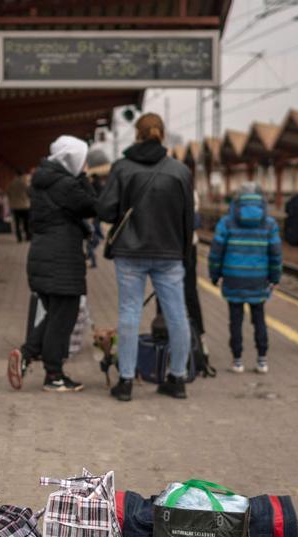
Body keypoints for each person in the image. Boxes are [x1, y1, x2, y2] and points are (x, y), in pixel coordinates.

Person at [97, 113, 195, 402]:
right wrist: (184, 253)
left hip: (130, 251)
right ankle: (177, 378)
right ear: (162, 135)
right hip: (169, 254)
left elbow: (105, 210)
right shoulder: (180, 171)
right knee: (178, 315)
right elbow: (188, 219)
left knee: (129, 313)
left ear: (137, 135)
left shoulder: (122, 168)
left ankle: (125, 381)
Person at [6, 135, 96, 393]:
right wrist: (83, 177)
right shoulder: (67, 184)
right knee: (62, 320)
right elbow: (93, 205)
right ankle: (53, 375)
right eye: (82, 159)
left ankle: (25, 354)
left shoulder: (43, 182)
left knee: (54, 316)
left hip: (42, 258)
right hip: (62, 259)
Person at [208, 183, 282, 374]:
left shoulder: (226, 222)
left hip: (233, 278)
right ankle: (262, 360)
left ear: (236, 201)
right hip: (258, 279)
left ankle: (237, 360)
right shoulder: (270, 224)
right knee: (259, 319)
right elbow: (275, 254)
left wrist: (215, 275)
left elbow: (216, 252)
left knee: (235, 320)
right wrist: (275, 277)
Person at [6, 170, 31, 243]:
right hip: (25, 206)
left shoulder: (12, 183)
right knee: (26, 223)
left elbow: (8, 192)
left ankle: (19, 238)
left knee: (17, 223)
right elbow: (29, 192)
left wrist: (12, 199)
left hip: (15, 206)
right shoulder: (25, 183)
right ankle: (27, 236)